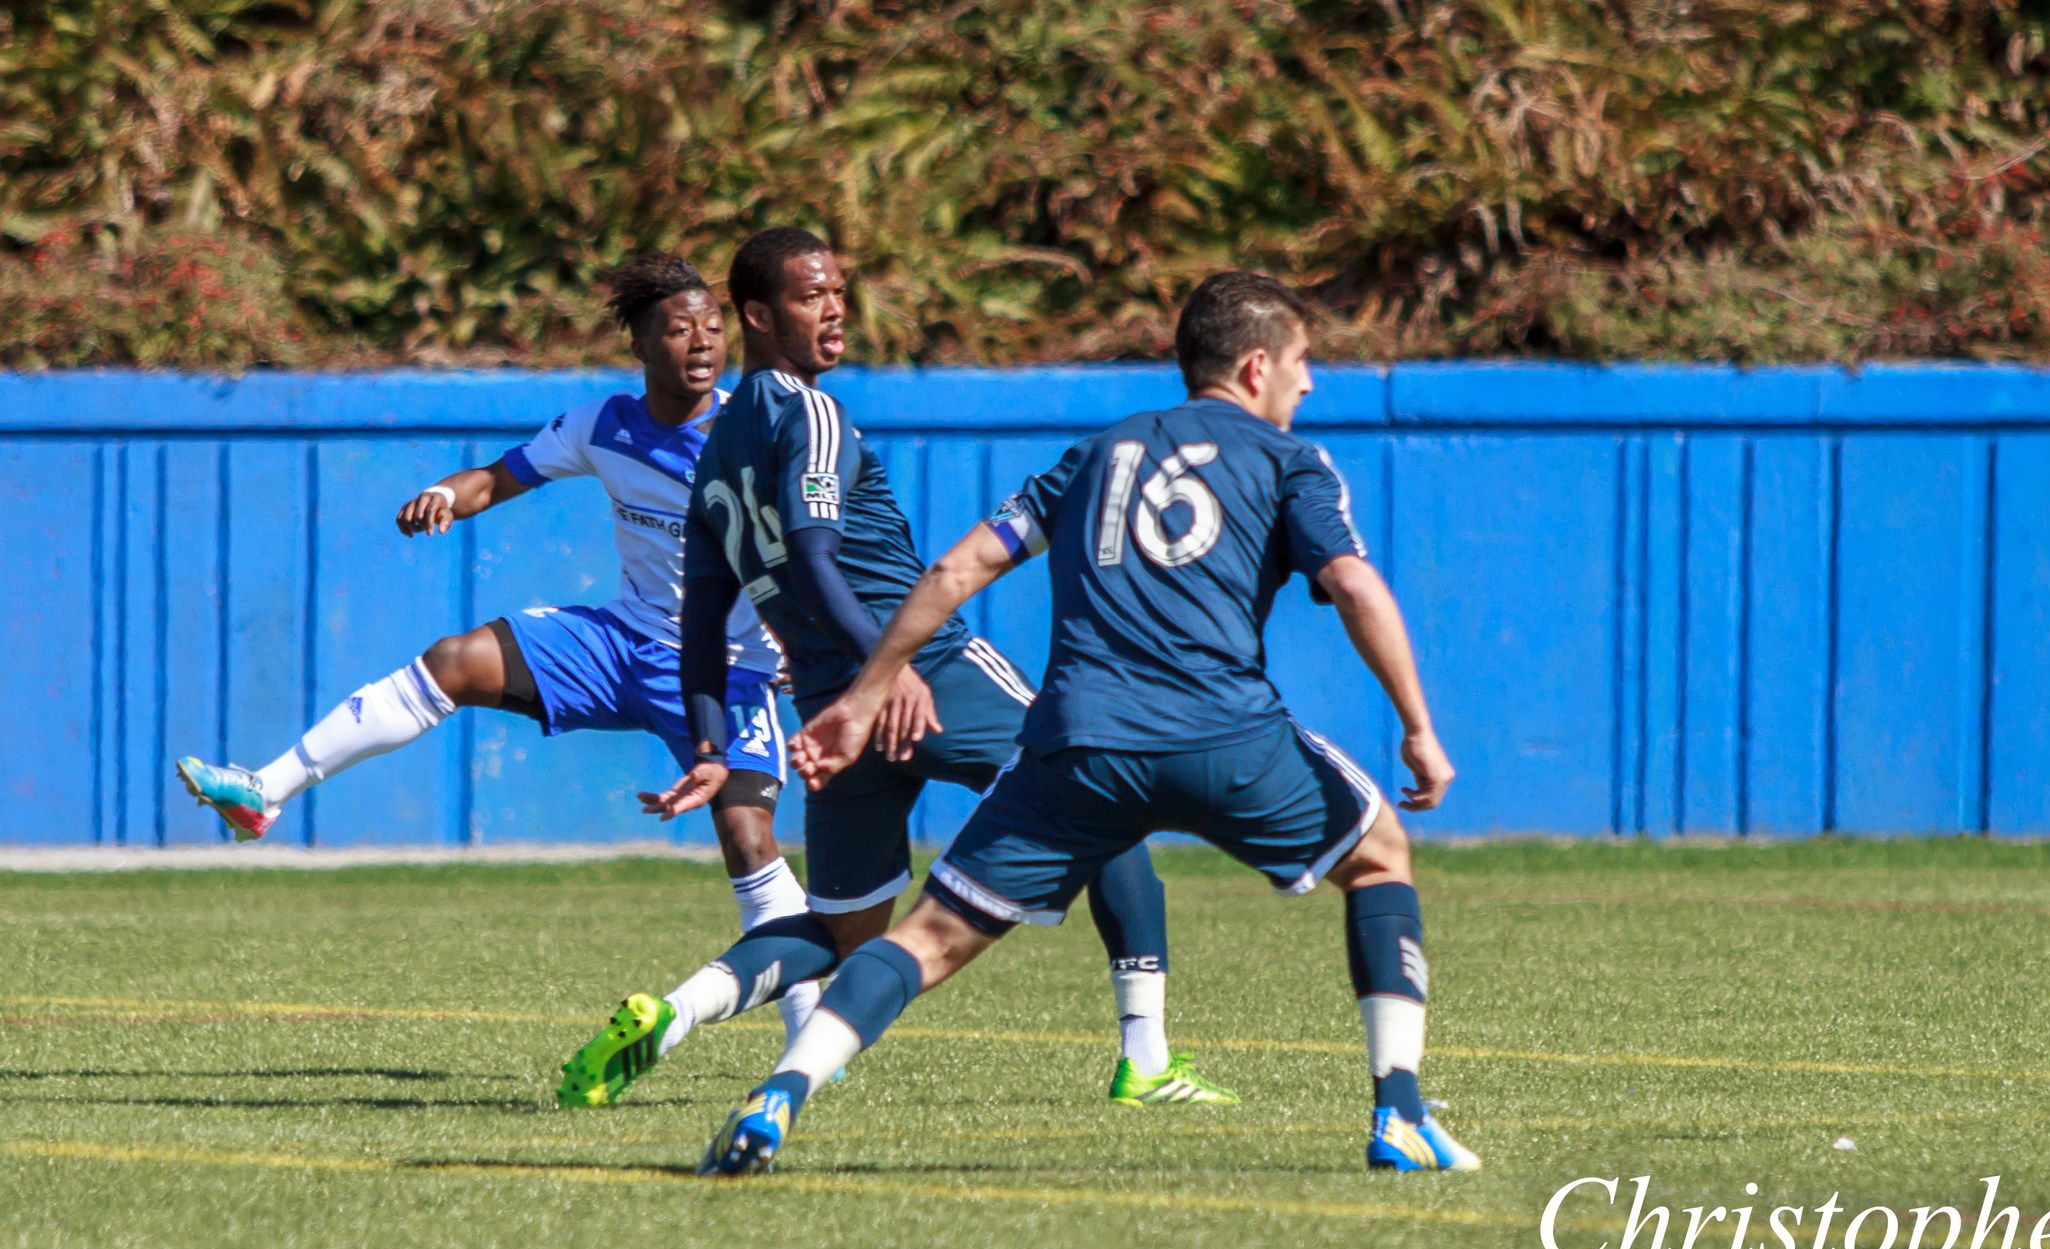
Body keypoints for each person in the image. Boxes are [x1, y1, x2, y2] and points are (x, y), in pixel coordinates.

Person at [697, 270, 1477, 1176]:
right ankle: (1401, 1114)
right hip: (1224, 732)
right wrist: (1418, 725)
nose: (1310, 384)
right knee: (1380, 853)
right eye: (1304, 363)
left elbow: (954, 572)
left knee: (923, 938)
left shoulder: (1098, 451)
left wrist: (867, 694)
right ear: (1258, 364)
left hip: (1076, 748)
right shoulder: (1286, 459)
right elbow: (1351, 582)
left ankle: (779, 1094)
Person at [563, 227, 1234, 1110]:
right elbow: (811, 555)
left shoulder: (715, 458)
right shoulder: (808, 412)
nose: (835, 308)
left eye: (839, 290)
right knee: (1106, 797)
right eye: (811, 295)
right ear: (758, 315)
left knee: (842, 932)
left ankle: (676, 1014)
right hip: (923, 677)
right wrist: (892, 667)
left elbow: (699, 627)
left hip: (832, 709)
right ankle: (1145, 1060)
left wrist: (713, 746)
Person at [173, 256, 829, 1066]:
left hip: (728, 671)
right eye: (679, 327)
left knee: (750, 845)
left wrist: (805, 640)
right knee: (454, 660)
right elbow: (497, 477)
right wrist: (447, 496)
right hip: (625, 642)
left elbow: (804, 551)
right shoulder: (603, 424)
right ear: (640, 341)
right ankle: (263, 793)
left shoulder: (748, 435)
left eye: (713, 326)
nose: (702, 343)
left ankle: (812, 1044)